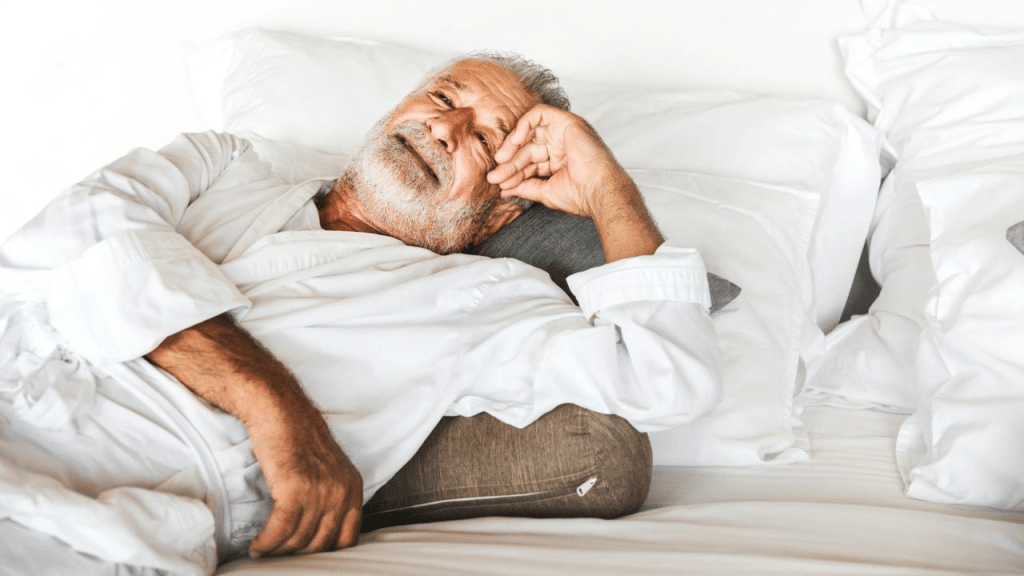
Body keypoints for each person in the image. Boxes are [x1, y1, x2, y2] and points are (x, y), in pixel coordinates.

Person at [0, 53, 722, 570]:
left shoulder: (485, 300)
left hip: (95, 494)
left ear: (503, 207)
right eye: (443, 100)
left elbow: (665, 379)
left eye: (484, 139)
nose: (446, 129)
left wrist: (604, 187)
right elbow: (76, 228)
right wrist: (269, 403)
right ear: (392, 114)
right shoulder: (222, 162)